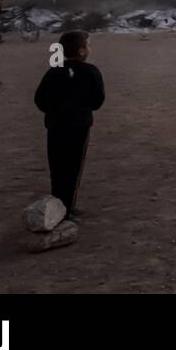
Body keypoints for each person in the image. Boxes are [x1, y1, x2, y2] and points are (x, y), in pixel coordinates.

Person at [33, 30, 104, 219]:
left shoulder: (53, 71)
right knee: (73, 169)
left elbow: (40, 100)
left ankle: (58, 205)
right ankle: (67, 210)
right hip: (79, 128)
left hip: (55, 127)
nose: (90, 48)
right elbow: (97, 102)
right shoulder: (91, 72)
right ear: (82, 51)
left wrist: (55, 111)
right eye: (88, 45)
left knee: (57, 168)